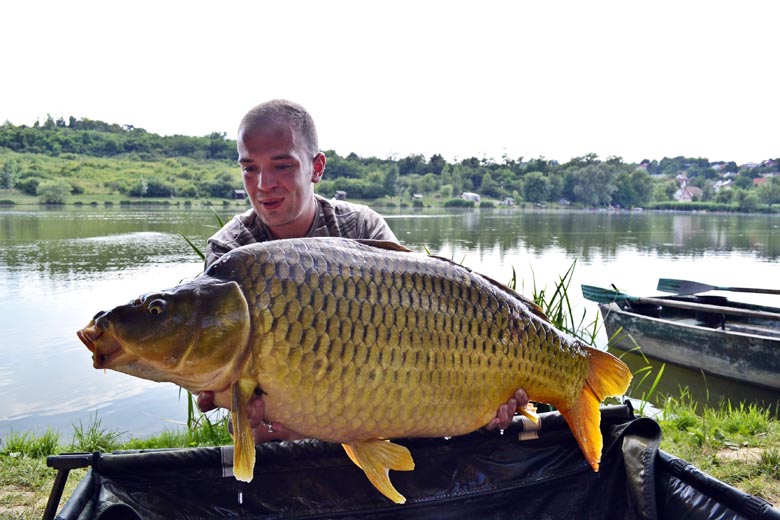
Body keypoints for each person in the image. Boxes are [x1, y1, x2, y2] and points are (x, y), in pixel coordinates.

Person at [197, 99, 528, 443]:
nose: (263, 184)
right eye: (250, 168)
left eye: (282, 166)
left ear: (316, 168)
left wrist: (482, 398)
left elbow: (418, 330)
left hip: (371, 403)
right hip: (276, 430)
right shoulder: (230, 252)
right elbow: (217, 371)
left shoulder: (360, 227)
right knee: (254, 423)